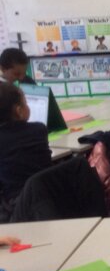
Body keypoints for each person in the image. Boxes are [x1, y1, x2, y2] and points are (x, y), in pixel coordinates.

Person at [0, 82, 52, 221]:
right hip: (48, 197)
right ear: (19, 111)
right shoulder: (39, 129)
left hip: (15, 206)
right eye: (26, 103)